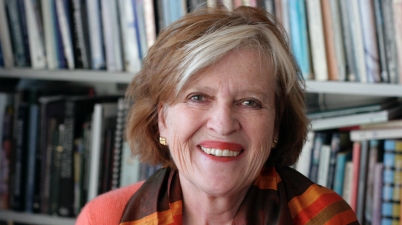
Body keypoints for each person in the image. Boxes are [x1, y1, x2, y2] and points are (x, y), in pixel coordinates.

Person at [76, 6, 359, 225]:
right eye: (198, 98)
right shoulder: (107, 217)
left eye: (250, 102)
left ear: (275, 126)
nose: (223, 125)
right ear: (162, 119)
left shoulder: (325, 218)